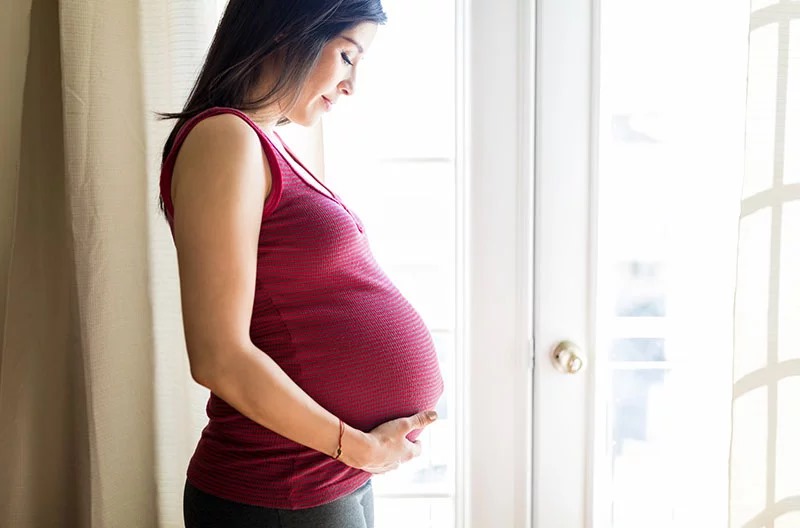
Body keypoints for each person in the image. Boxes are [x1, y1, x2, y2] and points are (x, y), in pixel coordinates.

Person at [157, 1, 444, 527]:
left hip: (323, 476)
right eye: (346, 56)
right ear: (290, 30)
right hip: (280, 489)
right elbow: (219, 356)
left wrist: (356, 452)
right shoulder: (224, 138)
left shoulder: (261, 141)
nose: (352, 85)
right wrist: (354, 447)